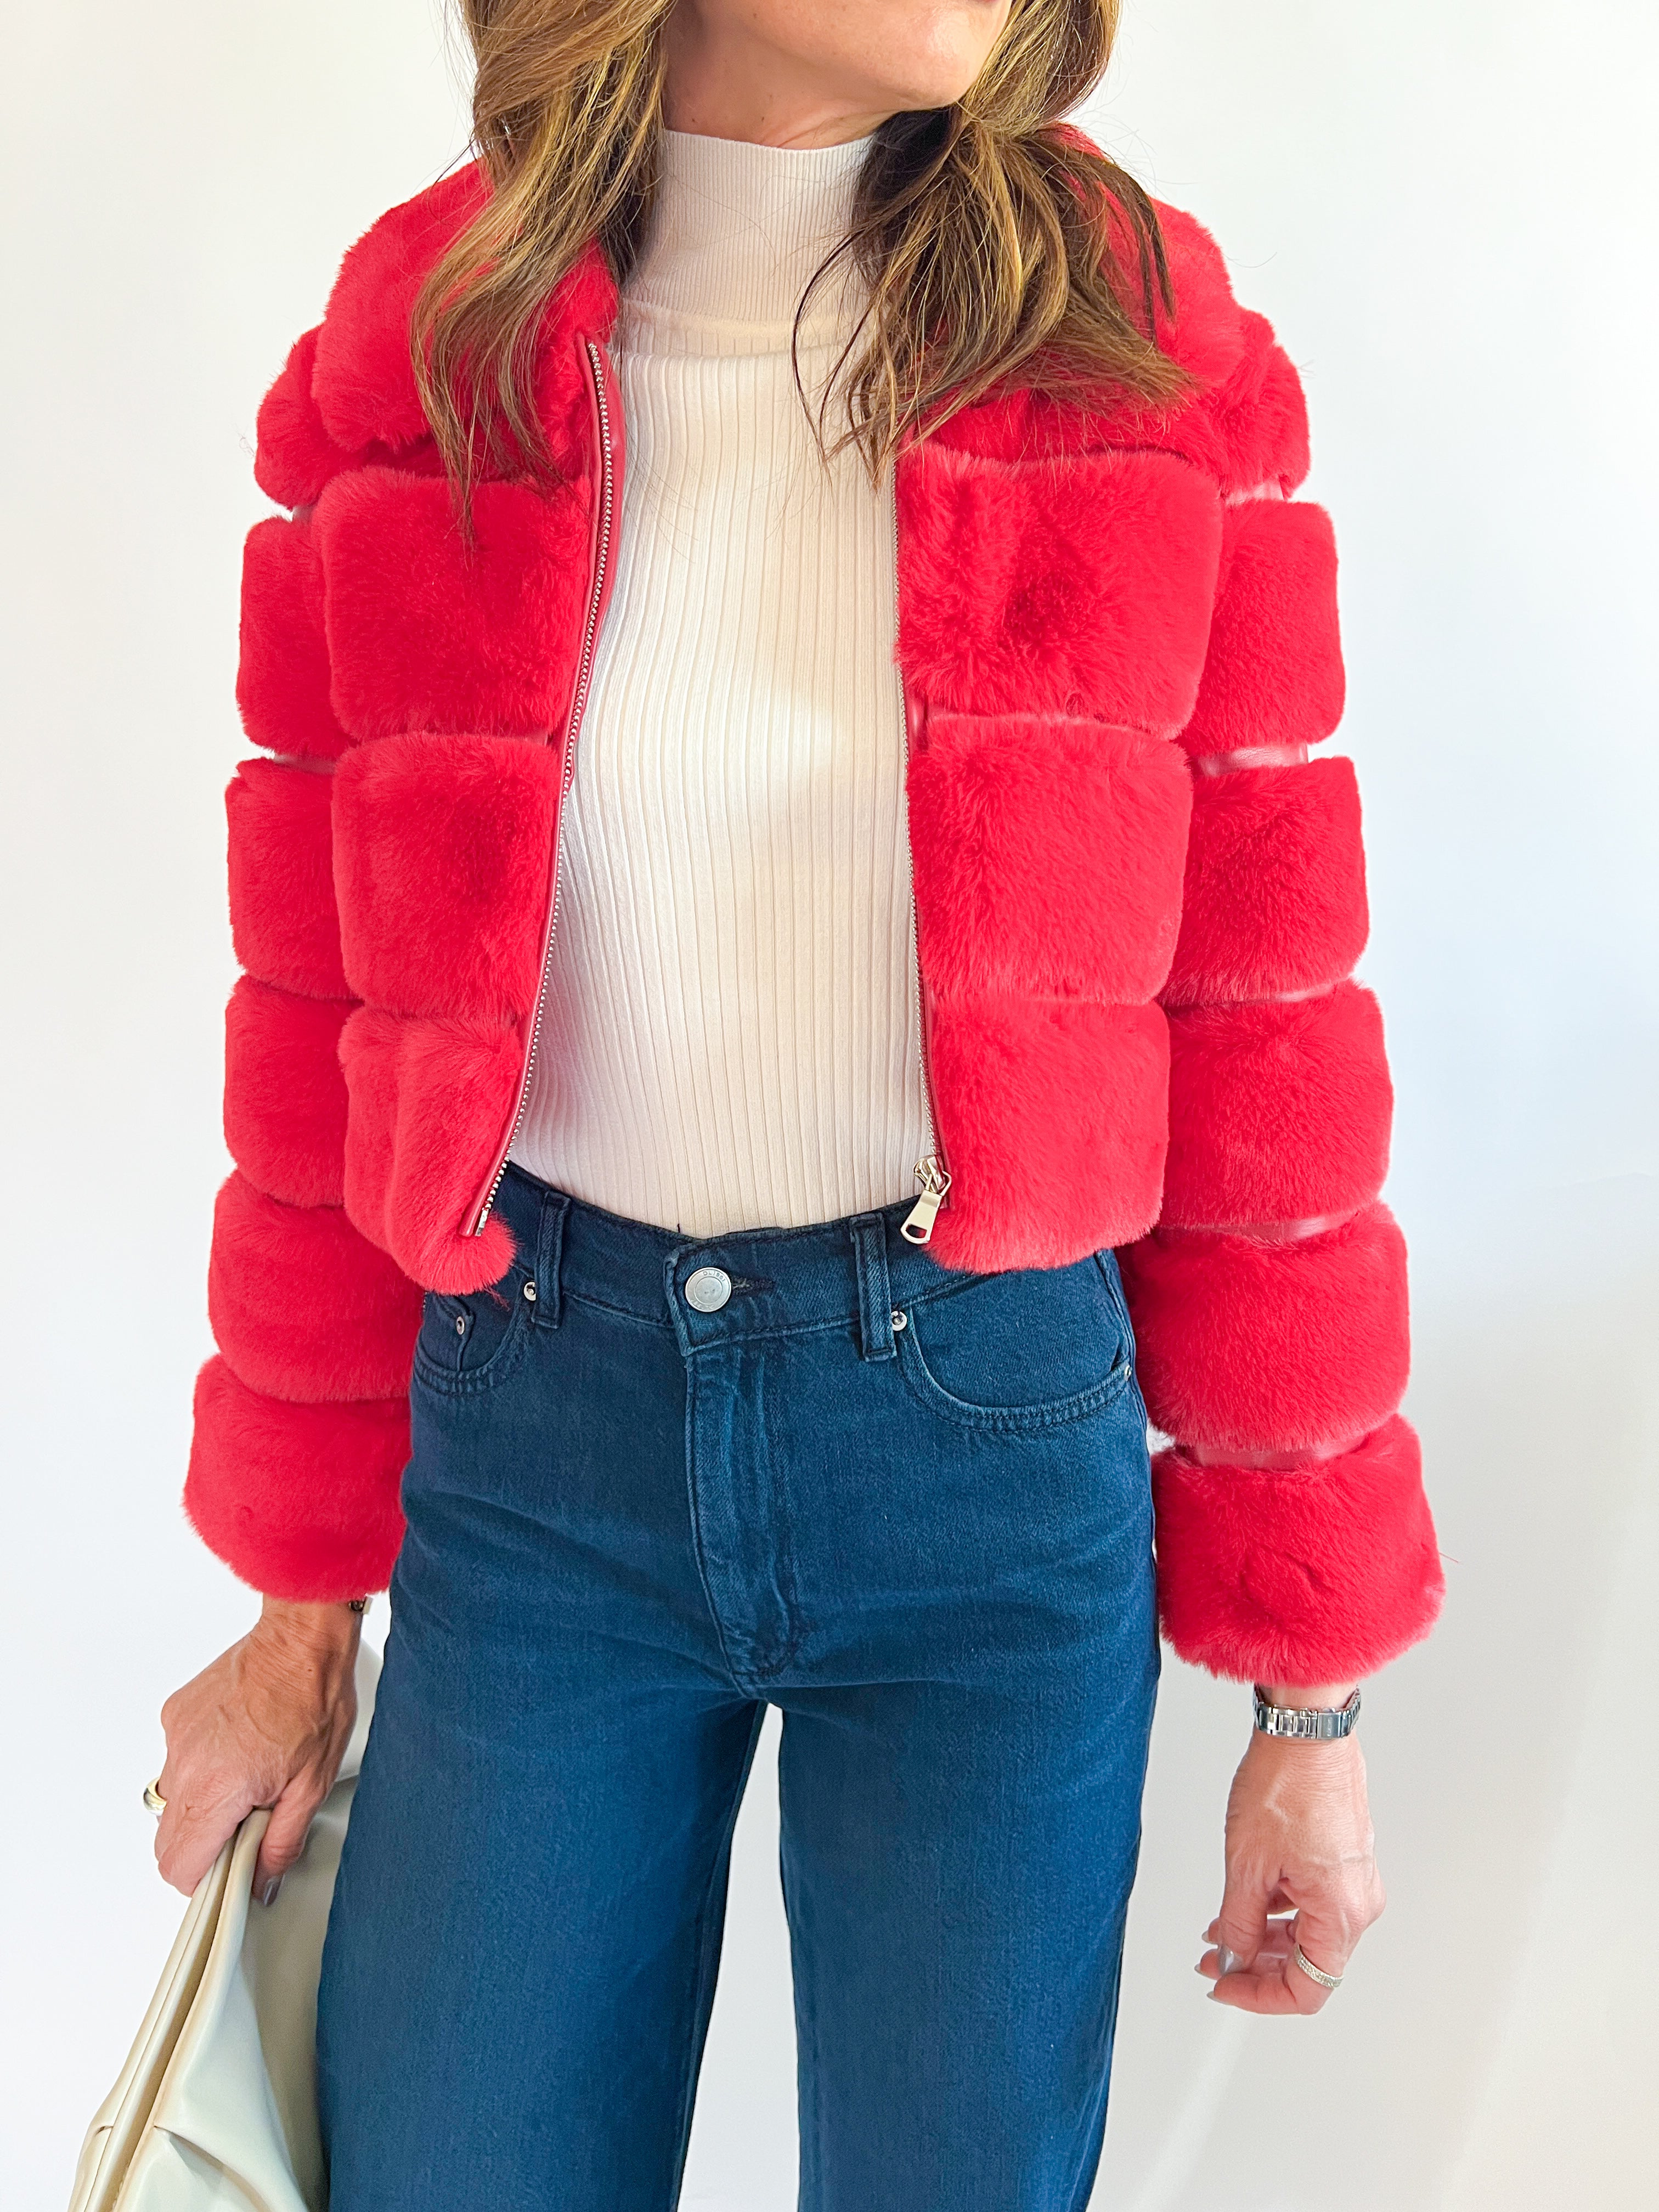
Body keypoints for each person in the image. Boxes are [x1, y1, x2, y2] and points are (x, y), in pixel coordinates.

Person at [150, 2, 1444, 2204]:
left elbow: (1269, 1049)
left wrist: (1308, 1704)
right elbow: (316, 1041)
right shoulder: (419, 356)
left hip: (984, 1463)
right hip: (536, 1469)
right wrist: (297, 1612)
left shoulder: (1146, 358)